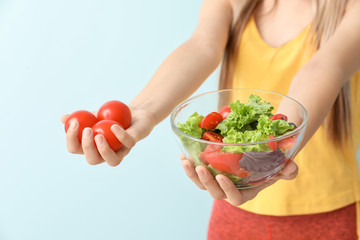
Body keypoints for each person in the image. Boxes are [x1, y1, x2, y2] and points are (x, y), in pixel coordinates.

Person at [62, 0, 360, 239]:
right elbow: (200, 47)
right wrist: (143, 111)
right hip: (233, 206)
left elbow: (325, 68)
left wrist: (271, 153)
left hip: (328, 212)